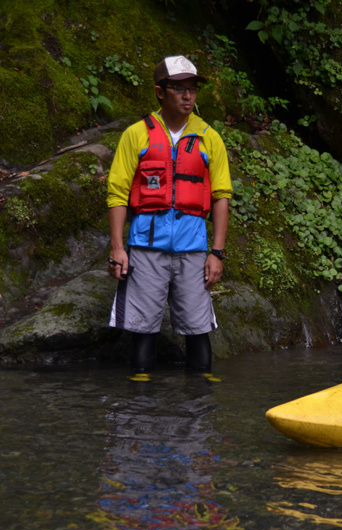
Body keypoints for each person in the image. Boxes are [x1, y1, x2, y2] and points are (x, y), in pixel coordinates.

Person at [106, 55, 231, 377]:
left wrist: (216, 253)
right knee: (142, 325)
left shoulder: (209, 138)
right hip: (146, 247)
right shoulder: (136, 135)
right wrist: (118, 248)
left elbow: (221, 197)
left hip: (192, 248)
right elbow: (118, 193)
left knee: (197, 324)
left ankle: (202, 391)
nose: (188, 96)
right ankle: (140, 388)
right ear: (160, 92)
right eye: (179, 89)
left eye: (192, 89)